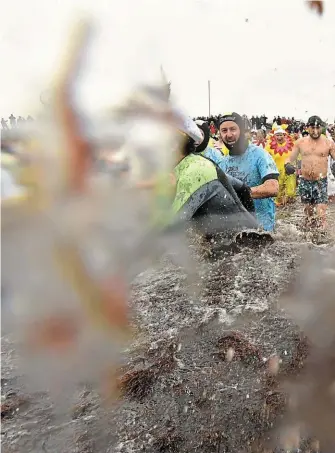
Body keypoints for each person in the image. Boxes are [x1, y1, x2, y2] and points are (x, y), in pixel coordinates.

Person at [216, 112, 279, 231]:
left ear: (242, 131)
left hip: (262, 229)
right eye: (224, 130)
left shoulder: (260, 155)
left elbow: (273, 188)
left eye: (233, 129)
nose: (229, 134)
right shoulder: (222, 163)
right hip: (236, 229)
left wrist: (244, 192)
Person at [285, 115, 335, 229]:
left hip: (321, 182)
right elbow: (290, 158)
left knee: (321, 213)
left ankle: (324, 240)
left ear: (322, 127)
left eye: (318, 128)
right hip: (305, 181)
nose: (316, 131)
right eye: (313, 128)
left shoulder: (329, 143)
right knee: (309, 214)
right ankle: (309, 238)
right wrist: (287, 164)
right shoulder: (300, 142)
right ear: (307, 127)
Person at [266, 128, 296, 206]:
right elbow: (264, 157)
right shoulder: (269, 146)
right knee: (278, 194)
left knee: (291, 192)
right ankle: (280, 211)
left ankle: (288, 206)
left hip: (289, 171)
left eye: (281, 135)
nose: (279, 137)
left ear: (284, 135)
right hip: (276, 171)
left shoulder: (292, 144)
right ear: (274, 136)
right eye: (277, 135)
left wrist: (298, 168)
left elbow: (298, 156)